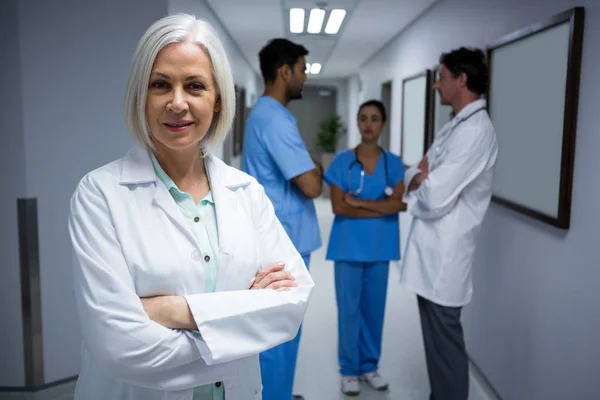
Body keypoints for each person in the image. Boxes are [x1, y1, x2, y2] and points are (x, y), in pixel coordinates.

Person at [67, 14, 315, 400]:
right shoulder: (99, 195)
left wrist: (169, 311)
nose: (177, 103)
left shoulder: (245, 192)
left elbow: (291, 304)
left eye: (195, 86)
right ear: (140, 95)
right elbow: (118, 345)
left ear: (217, 100)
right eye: (161, 85)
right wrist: (244, 320)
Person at [401, 47, 498, 400]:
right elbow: (418, 173)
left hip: (445, 260)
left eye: (441, 77)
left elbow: (432, 196)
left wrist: (422, 179)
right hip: (432, 255)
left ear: (462, 79)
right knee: (437, 348)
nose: (435, 85)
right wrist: (419, 177)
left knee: (446, 349)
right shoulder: (456, 127)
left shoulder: (475, 132)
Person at [242, 38, 323, 400]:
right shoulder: (274, 119)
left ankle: (280, 394)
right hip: (283, 243)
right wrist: (317, 168)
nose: (305, 77)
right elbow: (311, 184)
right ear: (284, 70)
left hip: (282, 237)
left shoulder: (266, 115)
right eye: (303, 70)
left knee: (282, 332)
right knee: (279, 335)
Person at [323, 100, 406, 396]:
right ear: (357, 124)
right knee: (348, 311)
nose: (368, 124)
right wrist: (381, 208)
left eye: (374, 118)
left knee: (374, 310)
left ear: (382, 124)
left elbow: (401, 204)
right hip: (347, 247)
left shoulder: (393, 163)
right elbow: (338, 207)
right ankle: (348, 370)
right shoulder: (342, 162)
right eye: (363, 118)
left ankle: (369, 366)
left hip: (380, 249)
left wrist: (357, 202)